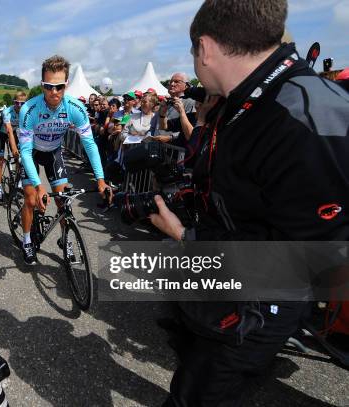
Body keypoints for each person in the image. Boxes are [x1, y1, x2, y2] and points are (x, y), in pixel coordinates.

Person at [149, 1, 349, 405]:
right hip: (223, 280)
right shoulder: (244, 101)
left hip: (260, 302)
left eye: (193, 56)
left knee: (195, 395)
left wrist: (186, 235)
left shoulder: (306, 114)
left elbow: (316, 257)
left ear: (204, 48)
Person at [18, 55, 112, 265]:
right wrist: (38, 185)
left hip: (53, 152)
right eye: (49, 86)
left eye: (59, 87)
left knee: (64, 200)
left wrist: (100, 179)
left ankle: (66, 239)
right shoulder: (29, 109)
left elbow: (89, 144)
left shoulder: (75, 108)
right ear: (42, 85)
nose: (54, 92)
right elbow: (24, 152)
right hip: (32, 152)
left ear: (66, 85)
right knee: (32, 199)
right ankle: (26, 240)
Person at [0, 91, 25, 202]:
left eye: (22, 103)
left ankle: (18, 184)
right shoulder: (7, 112)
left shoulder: (25, 112)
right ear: (13, 102)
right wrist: (15, 150)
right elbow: (9, 130)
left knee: (20, 159)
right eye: (17, 103)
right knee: (0, 161)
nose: (19, 106)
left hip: (15, 132)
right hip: (2, 133)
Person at [157, 73, 197, 147]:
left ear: (186, 85)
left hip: (179, 150)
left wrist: (170, 137)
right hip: (163, 148)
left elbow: (192, 132)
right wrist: (162, 113)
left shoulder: (191, 102)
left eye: (176, 81)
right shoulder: (165, 102)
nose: (172, 84)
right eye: (170, 81)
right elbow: (162, 127)